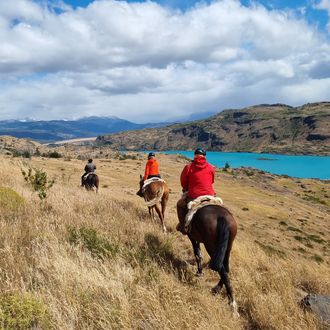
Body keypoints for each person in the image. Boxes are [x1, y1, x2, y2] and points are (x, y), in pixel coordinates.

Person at [176, 148, 215, 234]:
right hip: (210, 195)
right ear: (204, 156)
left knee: (180, 204)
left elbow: (183, 182)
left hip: (194, 195)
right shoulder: (211, 167)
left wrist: (187, 188)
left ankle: (183, 226)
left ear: (195, 156)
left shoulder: (188, 167)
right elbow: (212, 181)